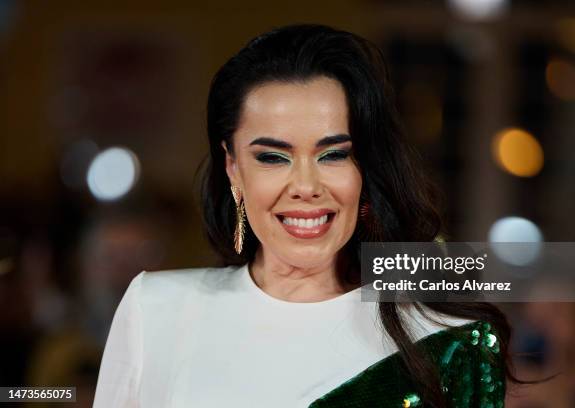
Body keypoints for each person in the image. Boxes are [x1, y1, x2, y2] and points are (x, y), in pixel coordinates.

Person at [93, 23, 511, 407]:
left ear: (365, 167)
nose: (306, 186)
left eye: (333, 155)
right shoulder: (155, 310)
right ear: (233, 167)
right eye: (273, 157)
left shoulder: (448, 343)